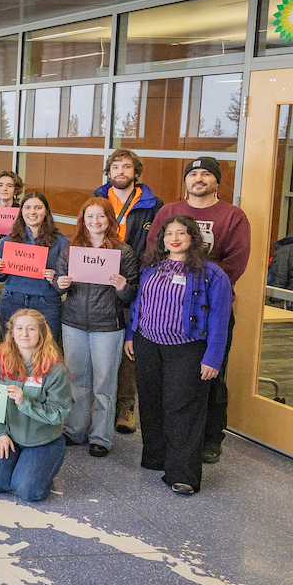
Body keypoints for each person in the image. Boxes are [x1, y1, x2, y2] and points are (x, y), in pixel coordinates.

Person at [146, 157, 250, 465]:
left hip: (210, 308)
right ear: (186, 181)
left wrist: (206, 287)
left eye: (206, 174)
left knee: (210, 373)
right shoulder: (168, 211)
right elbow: (154, 251)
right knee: (171, 379)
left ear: (217, 181)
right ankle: (172, 440)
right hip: (167, 310)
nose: (199, 178)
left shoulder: (233, 215)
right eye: (193, 173)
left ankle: (210, 438)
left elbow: (236, 261)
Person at [127, 216, 232, 495]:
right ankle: (155, 458)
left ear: (193, 238)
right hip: (148, 342)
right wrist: (130, 335)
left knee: (182, 408)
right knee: (150, 403)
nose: (174, 238)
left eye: (181, 233)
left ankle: (182, 474)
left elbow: (221, 318)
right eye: (169, 233)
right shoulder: (151, 267)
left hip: (187, 347)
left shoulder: (212, 274)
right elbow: (140, 302)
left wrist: (213, 357)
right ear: (162, 239)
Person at [53, 197, 139, 457]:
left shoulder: (123, 252)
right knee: (76, 381)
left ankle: (100, 436)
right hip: (74, 323)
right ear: (83, 220)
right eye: (90, 216)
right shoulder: (72, 249)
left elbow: (132, 293)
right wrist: (61, 284)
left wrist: (123, 287)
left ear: (109, 219)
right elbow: (57, 282)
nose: (95, 221)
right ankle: (75, 429)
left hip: (107, 326)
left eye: (101, 216)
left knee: (104, 383)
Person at [94, 149, 163, 436]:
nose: (120, 171)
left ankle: (125, 404)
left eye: (127, 167)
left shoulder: (153, 204)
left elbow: (157, 244)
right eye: (115, 167)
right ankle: (96, 405)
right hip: (98, 279)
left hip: (133, 281)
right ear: (108, 172)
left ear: (136, 172)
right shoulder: (97, 199)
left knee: (128, 347)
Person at [0, 309, 73, 502]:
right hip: (10, 435)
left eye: (31, 329)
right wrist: (0, 433)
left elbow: (58, 413)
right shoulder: (0, 361)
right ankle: (21, 465)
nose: (25, 334)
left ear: (41, 333)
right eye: (19, 328)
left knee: (28, 492)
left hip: (43, 440)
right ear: (12, 333)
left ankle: (40, 468)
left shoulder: (55, 370)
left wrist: (25, 403)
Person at [0, 191, 68, 343]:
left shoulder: (60, 242)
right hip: (12, 299)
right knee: (10, 350)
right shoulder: (9, 240)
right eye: (27, 208)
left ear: (46, 211)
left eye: (38, 207)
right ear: (21, 212)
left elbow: (66, 281)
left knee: (47, 350)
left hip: (46, 302)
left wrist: (56, 277)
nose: (32, 212)